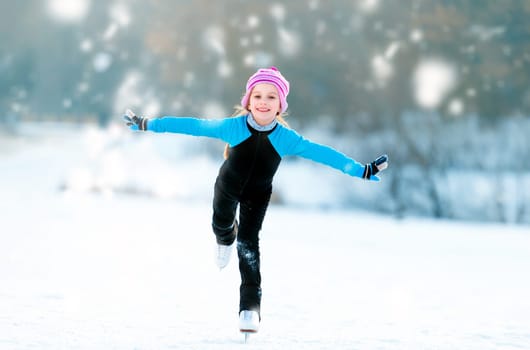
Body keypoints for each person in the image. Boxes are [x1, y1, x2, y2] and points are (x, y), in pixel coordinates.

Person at [123, 66, 388, 334]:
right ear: (248, 101)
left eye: (271, 97)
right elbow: (192, 125)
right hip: (227, 188)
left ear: (280, 106)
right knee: (221, 224)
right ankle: (224, 238)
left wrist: (361, 170)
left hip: (257, 196)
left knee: (249, 245)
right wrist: (148, 124)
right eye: (258, 96)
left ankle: (249, 309)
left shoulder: (286, 139)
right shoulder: (233, 127)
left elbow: (324, 154)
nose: (263, 102)